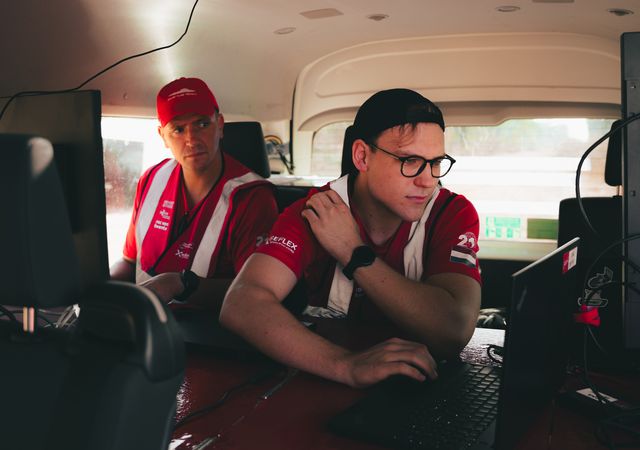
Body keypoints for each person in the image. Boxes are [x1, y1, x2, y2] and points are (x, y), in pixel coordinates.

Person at [220, 88, 481, 388]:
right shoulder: (319, 210)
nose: (428, 180)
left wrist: (354, 252)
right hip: (328, 379)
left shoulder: (452, 213)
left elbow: (453, 330)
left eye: (436, 162)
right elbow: (241, 303)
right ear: (362, 156)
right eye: (410, 161)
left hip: (426, 382)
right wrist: (345, 365)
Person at [110, 77, 278, 307]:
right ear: (163, 137)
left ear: (220, 125)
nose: (191, 140)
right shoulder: (150, 180)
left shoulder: (251, 197)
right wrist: (99, 285)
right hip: (142, 317)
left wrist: (179, 284)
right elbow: (129, 263)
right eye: (178, 129)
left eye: (202, 124)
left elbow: (254, 290)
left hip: (207, 324)